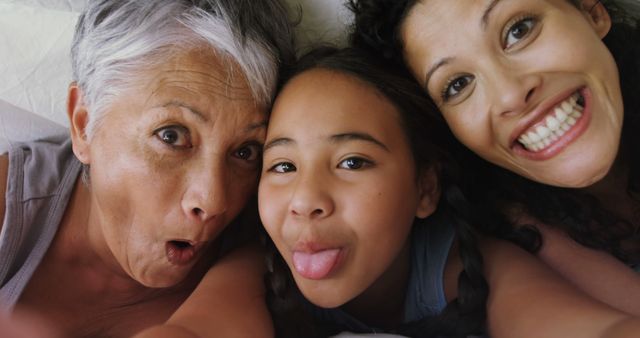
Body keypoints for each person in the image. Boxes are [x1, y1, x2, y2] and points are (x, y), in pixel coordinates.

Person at [257, 47, 640, 338]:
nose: (305, 201)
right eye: (283, 166)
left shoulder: (471, 266)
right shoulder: (253, 269)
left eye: (353, 162)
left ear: (426, 188)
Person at [0, 0, 294, 337]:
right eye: (171, 136)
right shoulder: (12, 206)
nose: (213, 201)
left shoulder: (249, 268)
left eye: (245, 152)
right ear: (84, 123)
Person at [349, 0, 640, 315]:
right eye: (458, 85)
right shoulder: (510, 238)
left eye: (519, 30)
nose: (510, 95)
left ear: (591, 12)